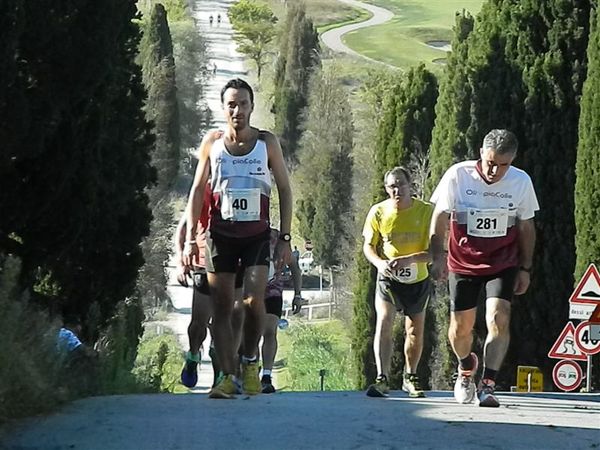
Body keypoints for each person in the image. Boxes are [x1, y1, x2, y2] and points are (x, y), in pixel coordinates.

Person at [183, 78, 293, 399]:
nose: (237, 110)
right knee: (220, 308)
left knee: (252, 301)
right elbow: (197, 190)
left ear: (251, 107)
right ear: (224, 108)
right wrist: (191, 237)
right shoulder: (212, 143)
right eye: (231, 104)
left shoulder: (266, 143)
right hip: (221, 236)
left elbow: (285, 189)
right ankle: (228, 376)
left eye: (243, 104)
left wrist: (284, 236)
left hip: (257, 236)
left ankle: (249, 362)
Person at [429, 129, 539, 407]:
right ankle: (466, 367)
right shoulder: (458, 175)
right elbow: (440, 217)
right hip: (463, 262)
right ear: (481, 153)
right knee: (460, 328)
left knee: (499, 317)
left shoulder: (520, 181)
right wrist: (437, 256)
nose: (495, 171)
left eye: (503, 165)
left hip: (503, 262)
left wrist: (525, 267)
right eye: (490, 162)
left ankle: (488, 384)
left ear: (512, 161)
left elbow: (526, 226)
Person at [362, 166, 434, 398]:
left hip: (417, 280)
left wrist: (411, 259)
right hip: (389, 278)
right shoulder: (378, 212)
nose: (397, 190)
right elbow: (368, 246)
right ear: (386, 189)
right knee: (384, 321)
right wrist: (380, 264)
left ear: (409, 185)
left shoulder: (427, 212)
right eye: (392, 186)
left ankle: (410, 376)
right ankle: (382, 378)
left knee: (414, 330)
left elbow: (436, 252)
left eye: (401, 185)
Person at [174, 187, 244, 388]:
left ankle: (222, 375)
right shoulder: (203, 189)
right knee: (199, 323)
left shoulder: (243, 184)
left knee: (227, 321)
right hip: (204, 262)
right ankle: (193, 356)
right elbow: (184, 226)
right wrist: (181, 261)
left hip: (235, 264)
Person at [261, 228, 304, 394]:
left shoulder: (276, 237)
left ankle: (266, 376)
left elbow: (294, 266)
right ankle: (244, 370)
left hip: (273, 292)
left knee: (270, 331)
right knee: (249, 332)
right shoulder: (242, 230)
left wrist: (298, 295)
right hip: (249, 290)